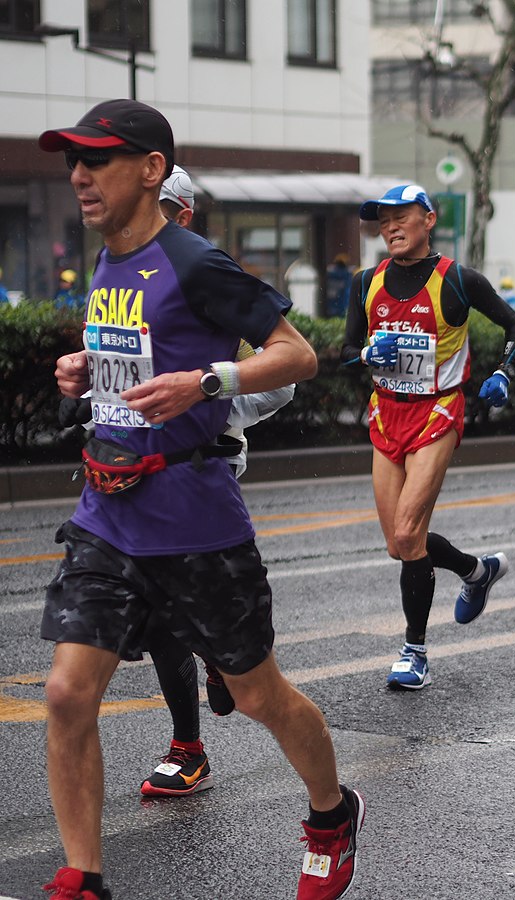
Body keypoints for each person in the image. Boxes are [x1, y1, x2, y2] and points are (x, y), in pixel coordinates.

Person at [37, 99, 362, 900]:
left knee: (258, 696)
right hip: (107, 514)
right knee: (67, 693)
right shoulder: (108, 261)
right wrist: (89, 366)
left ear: (151, 171)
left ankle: (332, 813)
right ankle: (85, 875)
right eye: (73, 160)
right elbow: (144, 356)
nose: (80, 175)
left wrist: (209, 381)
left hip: (196, 522)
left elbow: (300, 357)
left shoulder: (195, 262)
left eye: (99, 159)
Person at [130, 164, 298, 798]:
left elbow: (285, 371)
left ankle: (222, 661)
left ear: (182, 214)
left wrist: (213, 394)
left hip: (201, 470)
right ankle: (188, 746)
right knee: (156, 620)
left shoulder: (204, 271)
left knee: (181, 615)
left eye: (160, 209)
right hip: (131, 473)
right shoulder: (119, 270)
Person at [341, 182, 515, 690]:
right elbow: (343, 350)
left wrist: (503, 373)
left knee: (407, 535)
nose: (392, 227)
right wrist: (363, 357)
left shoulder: (457, 280)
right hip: (386, 415)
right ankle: (475, 570)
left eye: (402, 216)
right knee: (401, 546)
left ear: (428, 219)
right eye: (383, 220)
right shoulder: (365, 282)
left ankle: (414, 651)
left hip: (438, 412)